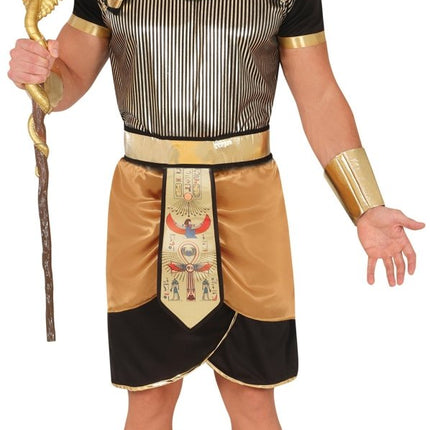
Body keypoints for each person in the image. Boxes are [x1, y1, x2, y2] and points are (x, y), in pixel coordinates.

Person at [8, 0, 425, 429]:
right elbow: (69, 76)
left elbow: (318, 95)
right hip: (146, 204)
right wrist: (40, 76)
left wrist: (366, 205)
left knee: (253, 399)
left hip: (247, 205)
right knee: (149, 397)